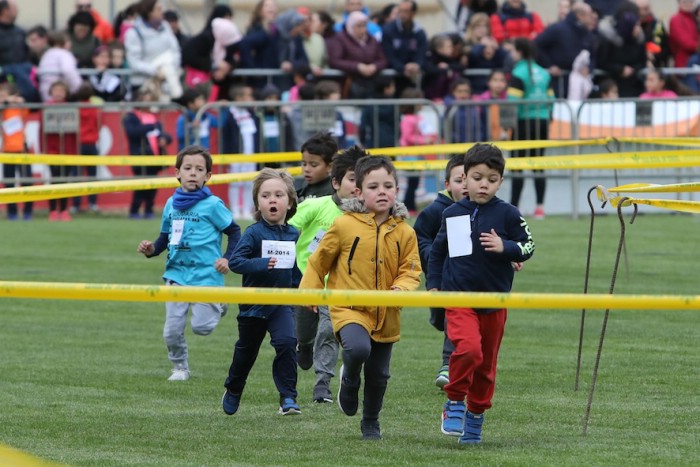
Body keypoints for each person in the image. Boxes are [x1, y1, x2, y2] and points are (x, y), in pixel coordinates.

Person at [300, 155, 421, 440]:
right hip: (349, 307)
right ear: (359, 192)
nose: (382, 192)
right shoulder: (344, 225)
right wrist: (310, 290)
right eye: (374, 186)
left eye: (388, 186)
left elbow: (411, 270)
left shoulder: (405, 231)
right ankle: (350, 378)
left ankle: (371, 421)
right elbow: (319, 262)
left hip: (387, 312)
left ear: (396, 190)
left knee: (380, 375)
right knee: (357, 349)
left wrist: (401, 290)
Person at [428, 143, 535, 445]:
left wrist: (507, 248)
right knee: (469, 350)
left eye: (491, 178)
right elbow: (437, 253)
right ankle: (455, 400)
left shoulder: (509, 214)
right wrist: (434, 286)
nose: (483, 184)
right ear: (464, 178)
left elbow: (529, 246)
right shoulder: (452, 213)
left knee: (486, 367)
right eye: (476, 177)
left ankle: (475, 417)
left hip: (495, 302)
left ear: (500, 181)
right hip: (458, 299)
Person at [136, 145, 240, 381]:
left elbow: (235, 232)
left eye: (199, 169)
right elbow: (165, 238)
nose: (193, 173)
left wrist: (227, 258)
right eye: (188, 168)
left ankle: (219, 303)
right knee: (171, 331)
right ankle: (180, 367)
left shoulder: (213, 205)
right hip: (176, 276)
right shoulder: (171, 204)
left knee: (201, 328)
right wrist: (151, 250)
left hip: (206, 277)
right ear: (177, 173)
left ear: (208, 176)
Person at [222, 168, 302, 416]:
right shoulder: (253, 233)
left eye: (279, 195)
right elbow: (236, 262)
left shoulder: (294, 234)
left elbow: (295, 269)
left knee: (287, 342)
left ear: (289, 202)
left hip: (281, 303)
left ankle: (288, 397)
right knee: (246, 352)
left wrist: (305, 290)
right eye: (266, 195)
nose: (272, 200)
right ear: (258, 202)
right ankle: (234, 388)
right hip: (253, 306)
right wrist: (262, 262)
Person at [289, 145, 364, 403]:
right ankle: (304, 346)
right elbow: (287, 228)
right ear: (336, 182)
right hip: (307, 280)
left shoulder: (369, 216)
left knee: (328, 331)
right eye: (353, 179)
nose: (358, 186)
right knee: (305, 333)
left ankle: (323, 384)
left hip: (341, 287)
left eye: (363, 180)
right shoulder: (317, 206)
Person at [413, 154, 466, 389]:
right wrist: (432, 254)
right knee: (441, 319)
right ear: (447, 184)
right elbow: (419, 237)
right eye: (459, 180)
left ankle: (448, 365)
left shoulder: (482, 210)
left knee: (457, 315)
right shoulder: (435, 211)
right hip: (439, 276)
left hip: (466, 280)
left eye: (470, 179)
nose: (465, 185)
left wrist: (508, 256)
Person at [507, 37, 554, 219]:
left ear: (519, 51)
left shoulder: (518, 72)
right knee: (538, 165)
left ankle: (514, 207)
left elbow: (513, 102)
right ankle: (540, 208)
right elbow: (551, 100)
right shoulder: (544, 73)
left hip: (522, 122)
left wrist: (507, 127)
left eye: (512, 50)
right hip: (541, 122)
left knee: (517, 165)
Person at [123, 85, 172, 219]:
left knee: (153, 186)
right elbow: (132, 133)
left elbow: (164, 134)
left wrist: (165, 139)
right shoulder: (131, 117)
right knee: (141, 185)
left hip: (155, 157)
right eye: (145, 100)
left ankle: (149, 210)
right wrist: (150, 127)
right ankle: (134, 210)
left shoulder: (154, 117)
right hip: (139, 156)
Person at [534, 1, 595, 98]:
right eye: (589, 14)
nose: (593, 17)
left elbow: (592, 56)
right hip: (558, 82)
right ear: (580, 15)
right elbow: (537, 45)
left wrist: (589, 68)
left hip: (579, 84)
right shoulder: (557, 29)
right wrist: (549, 65)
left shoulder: (587, 34)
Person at [124, 0, 182, 100]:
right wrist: (156, 71)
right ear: (149, 12)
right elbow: (134, 61)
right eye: (158, 9)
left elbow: (175, 50)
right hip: (143, 85)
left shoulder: (165, 27)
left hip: (167, 81)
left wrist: (170, 67)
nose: (162, 12)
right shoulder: (134, 33)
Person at [325, 9, 387, 99]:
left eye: (365, 25)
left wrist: (375, 66)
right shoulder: (339, 39)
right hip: (350, 82)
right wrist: (357, 66)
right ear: (350, 26)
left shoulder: (371, 39)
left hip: (372, 82)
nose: (363, 29)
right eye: (359, 26)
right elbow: (335, 60)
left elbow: (382, 59)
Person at [220, 84, 259, 220]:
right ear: (238, 98)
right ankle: (235, 209)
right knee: (235, 182)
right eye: (248, 96)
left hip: (251, 155)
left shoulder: (251, 113)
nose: (251, 99)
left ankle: (247, 210)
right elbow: (225, 136)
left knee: (250, 182)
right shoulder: (230, 114)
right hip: (235, 155)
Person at [399, 87, 438, 216]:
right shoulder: (408, 119)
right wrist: (423, 140)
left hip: (416, 154)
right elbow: (407, 137)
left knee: (414, 181)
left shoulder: (418, 117)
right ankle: (408, 206)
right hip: (410, 155)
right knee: (412, 181)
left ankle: (411, 206)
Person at [42, 80, 78, 222]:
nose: (58, 93)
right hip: (52, 150)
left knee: (64, 182)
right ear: (51, 92)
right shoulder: (46, 108)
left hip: (67, 151)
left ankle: (63, 210)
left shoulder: (70, 108)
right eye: (56, 90)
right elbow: (42, 131)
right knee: (54, 180)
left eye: (61, 90)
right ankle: (52, 210)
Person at [596, 2, 647, 98]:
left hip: (634, 87)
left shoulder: (639, 38)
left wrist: (633, 70)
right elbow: (603, 62)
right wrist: (620, 69)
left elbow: (642, 61)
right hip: (612, 87)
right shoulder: (608, 38)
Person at [381, 0, 428, 96]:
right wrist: (403, 68)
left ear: (413, 13)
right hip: (393, 75)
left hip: (413, 76)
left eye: (406, 11)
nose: (402, 14)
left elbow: (422, 53)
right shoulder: (388, 30)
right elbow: (388, 54)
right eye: (400, 11)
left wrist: (417, 65)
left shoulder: (419, 32)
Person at [0, 82, 32, 220]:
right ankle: (12, 212)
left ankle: (27, 212)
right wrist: (5, 101)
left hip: (21, 149)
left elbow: (25, 104)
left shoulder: (19, 107)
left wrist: (15, 100)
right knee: (9, 184)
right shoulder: (3, 109)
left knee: (27, 182)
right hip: (7, 150)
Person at [70, 82, 101, 214]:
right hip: (91, 143)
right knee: (92, 176)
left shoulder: (76, 108)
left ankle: (76, 205)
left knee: (77, 176)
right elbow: (97, 124)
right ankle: (92, 203)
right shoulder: (94, 108)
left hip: (78, 144)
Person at [37, 30, 82, 102]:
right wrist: (77, 88)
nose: (70, 43)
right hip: (60, 92)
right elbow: (68, 70)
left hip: (45, 92)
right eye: (68, 40)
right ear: (61, 42)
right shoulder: (64, 54)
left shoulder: (47, 54)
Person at [358, 75, 398, 149]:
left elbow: (363, 127)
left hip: (372, 144)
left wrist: (362, 141)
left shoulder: (369, 105)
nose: (394, 88)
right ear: (386, 89)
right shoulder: (394, 106)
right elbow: (398, 125)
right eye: (392, 86)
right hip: (391, 143)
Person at [296, 131, 336, 203]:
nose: (306, 169)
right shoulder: (304, 187)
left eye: (313, 165)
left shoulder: (333, 190)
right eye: (304, 164)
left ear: (329, 167)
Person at [444, 78, 485, 143]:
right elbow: (445, 128)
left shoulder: (476, 108)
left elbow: (480, 128)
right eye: (459, 91)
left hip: (474, 145)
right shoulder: (450, 108)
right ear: (453, 92)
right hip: (455, 146)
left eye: (466, 91)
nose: (463, 95)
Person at [669, 0, 698, 69]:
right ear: (679, 3)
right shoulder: (675, 19)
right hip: (685, 63)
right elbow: (686, 43)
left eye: (690, 1)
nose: (688, 4)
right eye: (685, 1)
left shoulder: (694, 18)